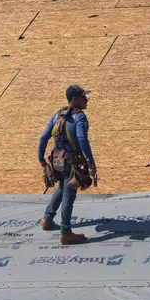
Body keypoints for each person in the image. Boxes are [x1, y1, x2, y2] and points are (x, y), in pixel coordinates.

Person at [38, 85, 97, 245]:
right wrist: (91, 162)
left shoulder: (58, 114)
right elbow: (82, 140)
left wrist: (41, 159)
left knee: (62, 187)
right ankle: (65, 233)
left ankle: (47, 220)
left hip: (56, 160)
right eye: (83, 97)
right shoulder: (80, 118)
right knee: (69, 195)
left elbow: (43, 137)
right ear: (74, 99)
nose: (86, 99)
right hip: (71, 162)